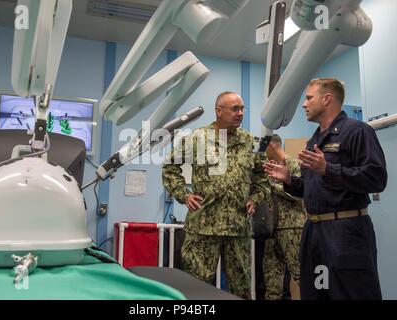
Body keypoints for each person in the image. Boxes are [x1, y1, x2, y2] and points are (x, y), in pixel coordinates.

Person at [264, 78, 387, 300]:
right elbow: (313, 187)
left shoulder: (357, 132)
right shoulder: (315, 140)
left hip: (345, 233)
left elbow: (376, 179)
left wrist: (328, 169)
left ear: (327, 98)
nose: (304, 104)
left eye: (309, 97)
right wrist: (290, 179)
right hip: (314, 232)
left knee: (351, 293)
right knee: (318, 293)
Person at [162, 91, 270, 299]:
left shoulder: (253, 142)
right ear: (218, 111)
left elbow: (262, 178)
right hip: (204, 226)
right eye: (235, 109)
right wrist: (184, 195)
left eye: (242, 108)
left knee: (242, 289)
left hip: (239, 228)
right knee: (196, 288)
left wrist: (255, 198)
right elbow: (170, 168)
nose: (240, 113)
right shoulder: (197, 138)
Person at [263, 134, 306, 300]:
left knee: (301, 274)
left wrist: (274, 186)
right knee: (272, 278)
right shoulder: (269, 166)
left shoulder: (293, 164)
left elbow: (301, 194)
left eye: (263, 147)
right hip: (271, 230)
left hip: (292, 228)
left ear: (272, 146)